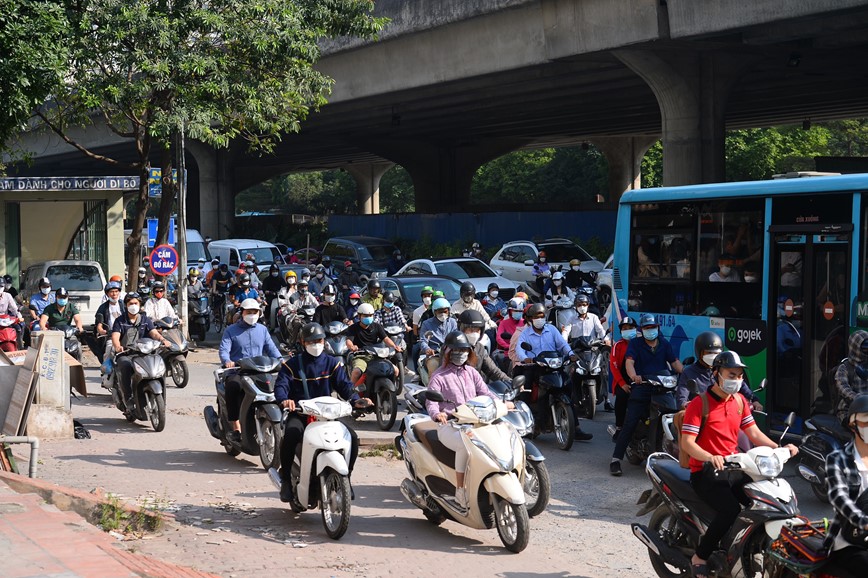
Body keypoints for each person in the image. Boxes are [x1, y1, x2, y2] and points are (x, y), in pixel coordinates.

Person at [680, 351, 798, 578]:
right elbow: (687, 443)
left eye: (740, 375)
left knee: (762, 501)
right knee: (730, 509)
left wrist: (779, 448)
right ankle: (700, 556)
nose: (736, 379)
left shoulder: (740, 401)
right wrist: (708, 457)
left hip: (734, 467)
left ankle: (743, 547)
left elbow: (753, 432)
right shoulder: (699, 404)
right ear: (716, 374)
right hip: (706, 471)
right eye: (731, 374)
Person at [274, 322, 373, 503]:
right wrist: (284, 400)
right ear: (303, 342)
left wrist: (356, 400)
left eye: (319, 340)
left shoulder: (332, 363)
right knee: (291, 434)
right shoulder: (293, 365)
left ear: (324, 341)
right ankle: (286, 479)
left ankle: (346, 478)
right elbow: (281, 386)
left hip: (326, 416)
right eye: (311, 341)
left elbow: (345, 386)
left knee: (352, 437)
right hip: (301, 413)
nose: (315, 344)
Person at [425, 331, 512, 508]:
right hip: (450, 426)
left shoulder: (471, 373)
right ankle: (460, 491)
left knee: (504, 431)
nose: (461, 353)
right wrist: (437, 414)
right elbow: (431, 402)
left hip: (476, 423)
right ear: (447, 352)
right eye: (456, 350)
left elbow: (486, 393)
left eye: (464, 350)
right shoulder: (439, 376)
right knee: (466, 445)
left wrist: (503, 403)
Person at [611, 313, 684, 476]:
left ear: (658, 328)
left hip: (662, 388)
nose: (650, 330)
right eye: (647, 328)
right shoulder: (635, 344)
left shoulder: (664, 343)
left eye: (653, 327)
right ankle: (616, 459)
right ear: (641, 330)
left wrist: (686, 373)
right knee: (630, 423)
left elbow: (674, 363)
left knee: (675, 417)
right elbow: (629, 363)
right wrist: (633, 376)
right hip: (642, 387)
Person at [516, 303, 592, 440]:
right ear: (530, 319)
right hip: (536, 367)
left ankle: (576, 427)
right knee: (525, 392)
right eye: (536, 316)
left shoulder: (551, 329)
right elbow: (519, 349)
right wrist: (525, 358)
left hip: (554, 366)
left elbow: (562, 344)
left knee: (569, 388)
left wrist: (570, 353)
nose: (540, 318)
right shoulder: (525, 334)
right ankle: (528, 424)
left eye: (542, 316)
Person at [218, 298, 282, 442]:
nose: (252, 315)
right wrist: (227, 361)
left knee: (279, 387)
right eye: (249, 312)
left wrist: (281, 360)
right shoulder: (231, 330)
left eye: (255, 312)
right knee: (233, 387)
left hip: (260, 371)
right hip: (238, 371)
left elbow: (271, 348)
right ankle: (235, 428)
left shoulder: (262, 330)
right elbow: (224, 349)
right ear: (242, 312)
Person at [821, 393, 868, 575]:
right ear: (852, 424)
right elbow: (840, 498)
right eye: (865, 420)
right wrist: (864, 522)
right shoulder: (837, 459)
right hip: (847, 541)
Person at [111, 292, 171, 409]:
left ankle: (162, 398)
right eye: (130, 303)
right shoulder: (120, 321)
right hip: (127, 354)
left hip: (145, 353)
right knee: (126, 367)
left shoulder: (145, 320)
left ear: (140, 305)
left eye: (136, 303)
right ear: (126, 305)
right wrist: (118, 346)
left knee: (159, 366)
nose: (133, 305)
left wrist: (163, 339)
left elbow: (154, 333)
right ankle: (128, 398)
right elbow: (115, 336)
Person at [676, 331, 761, 411]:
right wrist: (689, 405)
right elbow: (682, 399)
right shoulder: (689, 372)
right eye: (709, 353)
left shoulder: (723, 370)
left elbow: (740, 384)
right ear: (700, 353)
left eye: (717, 353)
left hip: (725, 411)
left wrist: (754, 400)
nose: (713, 356)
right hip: (701, 415)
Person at [345, 303, 401, 385]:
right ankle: (350, 392)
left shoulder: (377, 326)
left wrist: (394, 346)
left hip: (377, 355)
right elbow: (348, 341)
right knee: (356, 372)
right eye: (365, 316)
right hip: (361, 356)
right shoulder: (353, 328)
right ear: (359, 316)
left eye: (370, 315)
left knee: (395, 371)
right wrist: (352, 346)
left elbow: (386, 339)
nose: (368, 318)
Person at [459, 310, 511, 385]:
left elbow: (493, 370)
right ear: (462, 329)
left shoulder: (479, 348)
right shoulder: (452, 348)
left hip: (478, 389)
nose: (474, 334)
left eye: (477, 330)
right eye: (470, 330)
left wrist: (509, 382)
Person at [609, 317, 638, 442]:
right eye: (624, 329)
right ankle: (619, 427)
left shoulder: (641, 344)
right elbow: (614, 367)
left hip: (640, 379)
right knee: (621, 398)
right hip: (623, 380)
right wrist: (622, 384)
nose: (628, 331)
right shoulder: (618, 346)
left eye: (630, 328)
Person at [419, 298, 459, 378]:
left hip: (451, 354)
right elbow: (423, 340)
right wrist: (427, 349)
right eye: (440, 311)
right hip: (435, 355)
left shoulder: (453, 322)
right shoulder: (427, 324)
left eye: (445, 311)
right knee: (433, 367)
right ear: (434, 311)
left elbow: (457, 337)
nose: (443, 314)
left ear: (449, 311)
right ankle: (432, 389)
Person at [835, 330, 868, 425]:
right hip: (849, 410)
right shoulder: (845, 367)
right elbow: (843, 388)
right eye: (864, 348)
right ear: (855, 348)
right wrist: (859, 399)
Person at [94, 282, 124, 364]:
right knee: (108, 352)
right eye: (112, 292)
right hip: (111, 336)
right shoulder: (103, 307)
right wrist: (105, 332)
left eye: (116, 291)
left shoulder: (124, 305)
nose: (114, 294)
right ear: (107, 293)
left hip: (125, 336)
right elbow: (99, 326)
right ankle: (106, 373)